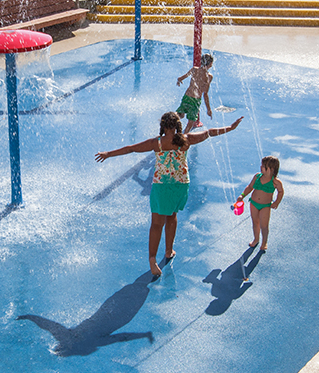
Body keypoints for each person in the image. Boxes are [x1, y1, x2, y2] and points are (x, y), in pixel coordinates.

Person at [95, 111, 243, 278]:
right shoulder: (187, 140)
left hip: (162, 186)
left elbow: (131, 149)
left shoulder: (157, 143)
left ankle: (152, 258)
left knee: (157, 224)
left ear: (163, 126)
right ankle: (168, 250)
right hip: (180, 185)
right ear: (178, 125)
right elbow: (209, 133)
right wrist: (230, 128)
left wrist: (108, 154)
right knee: (172, 215)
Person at [237, 155, 284, 252]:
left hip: (265, 206)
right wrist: (242, 195)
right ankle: (256, 239)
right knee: (255, 223)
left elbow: (281, 192)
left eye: (263, 166)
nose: (260, 167)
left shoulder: (275, 182)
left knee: (264, 225)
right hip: (253, 203)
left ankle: (264, 242)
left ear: (271, 169)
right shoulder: (257, 176)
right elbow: (250, 187)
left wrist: (276, 202)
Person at [176, 53, 214, 133]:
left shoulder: (194, 69)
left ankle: (170, 118)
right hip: (195, 101)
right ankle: (183, 137)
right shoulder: (209, 76)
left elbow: (181, 78)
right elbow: (205, 94)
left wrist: (179, 81)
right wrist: (208, 109)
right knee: (191, 121)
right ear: (210, 64)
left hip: (187, 96)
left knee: (180, 114)